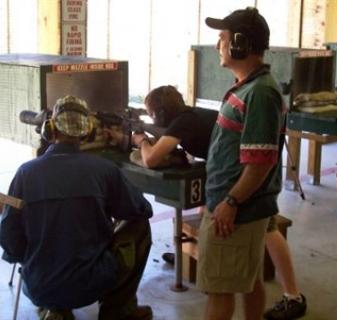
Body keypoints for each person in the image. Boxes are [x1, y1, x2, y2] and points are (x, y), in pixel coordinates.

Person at [126, 84, 306, 320]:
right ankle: (192, 254)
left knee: (268, 231)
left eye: (152, 113)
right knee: (251, 261)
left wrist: (141, 140)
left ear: (161, 113)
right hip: (234, 178)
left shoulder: (184, 122)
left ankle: (293, 295)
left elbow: (151, 159)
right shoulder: (191, 114)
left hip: (241, 184)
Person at [0, 95, 153, 320]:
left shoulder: (25, 173)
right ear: (86, 131)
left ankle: (53, 308)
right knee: (139, 226)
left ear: (49, 129)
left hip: (38, 285)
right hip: (93, 283)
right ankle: (118, 311)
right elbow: (142, 210)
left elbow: (9, 237)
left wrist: (32, 261)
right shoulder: (104, 171)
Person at [196, 7, 304, 320]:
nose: (218, 45)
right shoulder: (250, 86)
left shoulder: (260, 92)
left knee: (219, 289)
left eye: (223, 38)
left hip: (238, 210)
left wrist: (229, 201)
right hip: (237, 205)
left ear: (241, 43)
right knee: (249, 279)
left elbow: (259, 162)